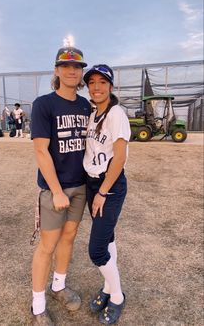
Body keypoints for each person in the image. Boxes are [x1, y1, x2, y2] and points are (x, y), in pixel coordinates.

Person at [30, 46, 91, 325]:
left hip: (81, 187)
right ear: (56, 70)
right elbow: (41, 151)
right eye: (65, 66)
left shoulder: (85, 106)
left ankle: (59, 286)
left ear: (81, 73)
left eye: (77, 67)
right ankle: (38, 304)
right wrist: (55, 191)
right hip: (56, 189)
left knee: (69, 238)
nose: (71, 70)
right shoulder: (44, 104)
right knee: (47, 245)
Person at [83, 64, 131, 325]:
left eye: (102, 82)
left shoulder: (116, 114)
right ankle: (107, 287)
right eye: (92, 82)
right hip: (92, 184)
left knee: (97, 250)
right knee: (108, 237)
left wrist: (103, 191)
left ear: (111, 87)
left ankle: (117, 296)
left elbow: (120, 157)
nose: (97, 87)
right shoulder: (93, 113)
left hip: (108, 185)